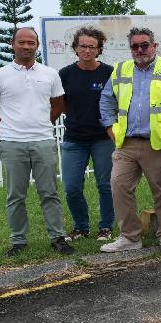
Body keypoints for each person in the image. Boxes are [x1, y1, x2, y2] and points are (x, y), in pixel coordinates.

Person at [0, 27, 74, 257]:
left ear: (37, 46)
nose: (26, 46)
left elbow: (58, 105)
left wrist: (43, 124)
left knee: (49, 193)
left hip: (43, 140)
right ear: (13, 44)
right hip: (13, 143)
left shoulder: (50, 74)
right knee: (16, 195)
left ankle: (57, 238)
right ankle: (18, 241)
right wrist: (6, 129)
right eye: (21, 42)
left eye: (31, 42)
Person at [98, 27, 161, 257]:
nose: (140, 50)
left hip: (159, 142)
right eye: (135, 46)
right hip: (126, 142)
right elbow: (106, 100)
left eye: (144, 45)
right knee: (119, 186)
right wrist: (110, 128)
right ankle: (129, 237)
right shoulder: (121, 70)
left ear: (154, 46)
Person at [58, 27, 115, 241]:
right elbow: (61, 103)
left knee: (105, 185)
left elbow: (116, 102)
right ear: (75, 48)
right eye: (83, 46)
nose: (87, 50)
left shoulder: (109, 72)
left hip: (102, 138)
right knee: (72, 187)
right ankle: (81, 227)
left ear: (99, 50)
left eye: (92, 47)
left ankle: (106, 227)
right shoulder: (65, 74)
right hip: (74, 138)